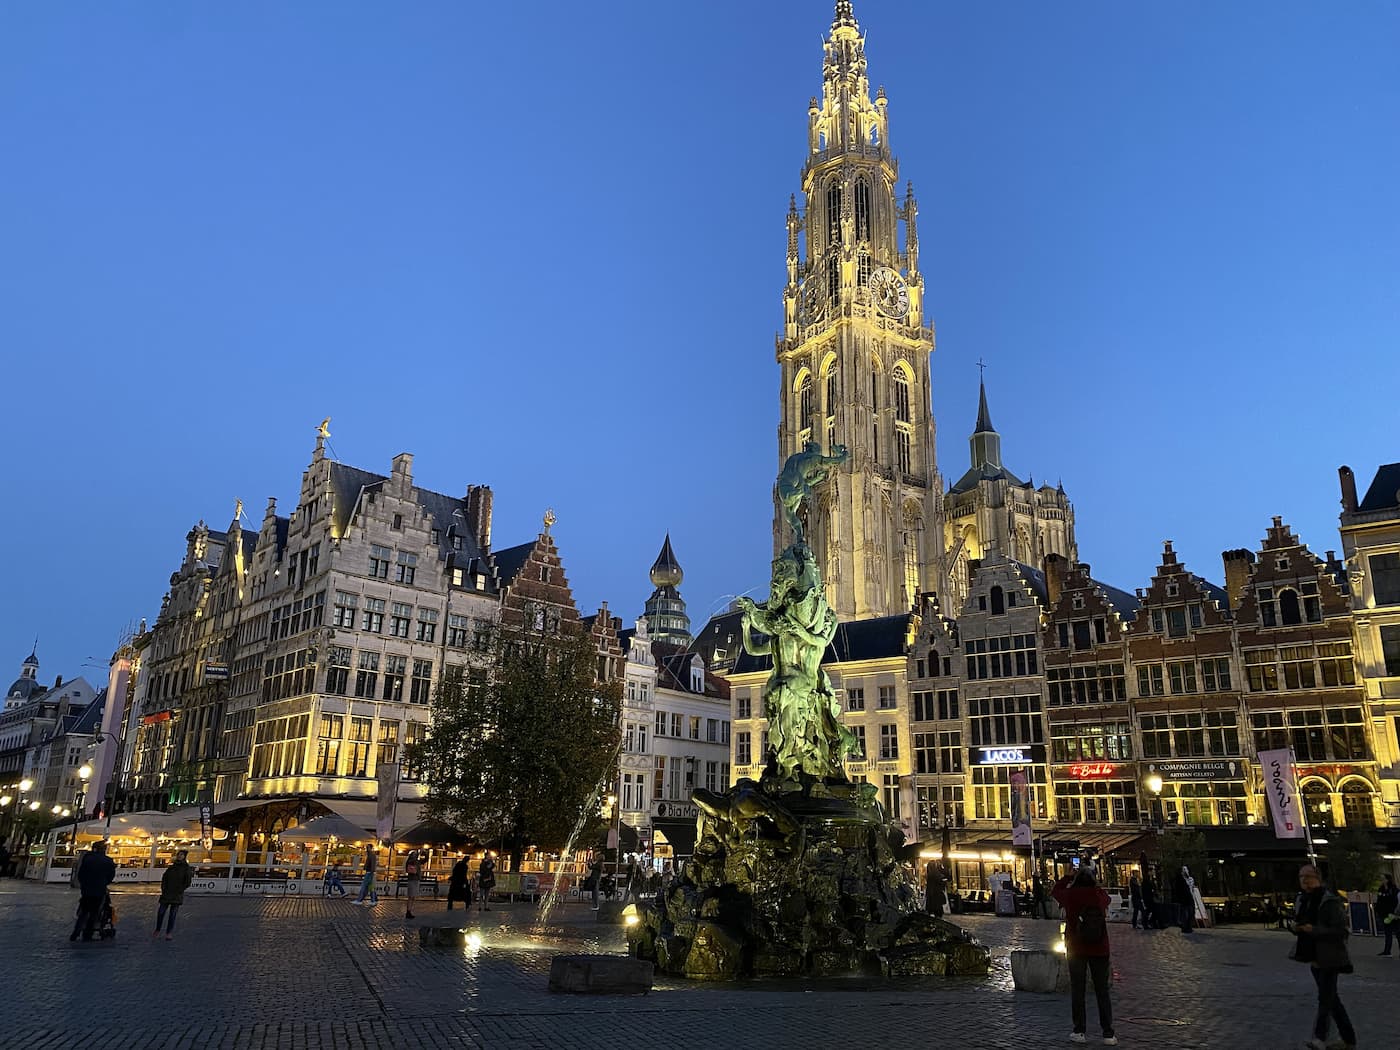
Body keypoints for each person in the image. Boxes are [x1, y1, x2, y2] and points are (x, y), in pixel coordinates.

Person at [1291, 863, 1357, 1050]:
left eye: (1308, 876)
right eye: (1301, 877)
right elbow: (1301, 923)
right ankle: (1349, 1040)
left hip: (1330, 957)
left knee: (1325, 999)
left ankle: (1319, 1038)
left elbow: (1340, 931)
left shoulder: (1329, 901)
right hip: (1313, 956)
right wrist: (1296, 928)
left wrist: (1315, 930)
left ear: (1317, 877)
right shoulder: (1303, 900)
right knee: (1332, 1000)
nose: (1304, 881)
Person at [1052, 865, 1116, 1046]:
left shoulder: (1070, 895)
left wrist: (1067, 878)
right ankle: (1108, 1033)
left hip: (1076, 948)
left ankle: (1079, 1030)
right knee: (1102, 990)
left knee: (1078, 990)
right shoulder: (1098, 895)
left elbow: (1056, 891)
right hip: (1100, 948)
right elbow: (1107, 898)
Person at [71, 840, 116, 942]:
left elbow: (81, 874)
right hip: (99, 890)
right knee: (94, 913)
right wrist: (104, 883)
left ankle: (76, 932)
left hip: (87, 889)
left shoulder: (88, 859)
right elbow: (111, 876)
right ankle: (88, 933)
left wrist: (84, 884)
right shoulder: (108, 860)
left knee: (83, 911)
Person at [154, 849, 193, 940]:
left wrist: (180, 890)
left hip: (176, 895)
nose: (179, 856)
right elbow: (165, 878)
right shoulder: (171, 867)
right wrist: (163, 888)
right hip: (167, 893)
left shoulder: (186, 868)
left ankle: (169, 932)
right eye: (178, 854)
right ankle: (158, 929)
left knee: (172, 915)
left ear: (184, 856)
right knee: (161, 913)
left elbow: (187, 882)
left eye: (181, 855)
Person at [1376, 873, 1398, 956]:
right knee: (1387, 933)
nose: (1382, 880)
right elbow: (1379, 900)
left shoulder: (1393, 889)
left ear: (1387, 880)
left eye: (1383, 879)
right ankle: (1387, 951)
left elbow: (1395, 901)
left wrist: (1394, 913)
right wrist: (1378, 910)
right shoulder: (1381, 889)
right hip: (1384, 914)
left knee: (1397, 933)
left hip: (1393, 914)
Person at [1172, 866, 1193, 933]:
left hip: (1189, 898)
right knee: (1185, 914)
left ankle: (1188, 927)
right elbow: (1178, 890)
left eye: (1186, 869)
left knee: (1190, 913)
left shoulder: (1188, 879)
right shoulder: (1179, 879)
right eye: (1184, 869)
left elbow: (1190, 888)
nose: (1185, 870)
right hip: (1184, 899)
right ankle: (1185, 928)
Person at [403, 850, 421, 920]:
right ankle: (408, 912)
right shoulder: (412, 861)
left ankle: (409, 911)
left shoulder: (412, 861)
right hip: (413, 880)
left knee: (412, 897)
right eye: (416, 854)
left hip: (414, 879)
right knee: (411, 897)